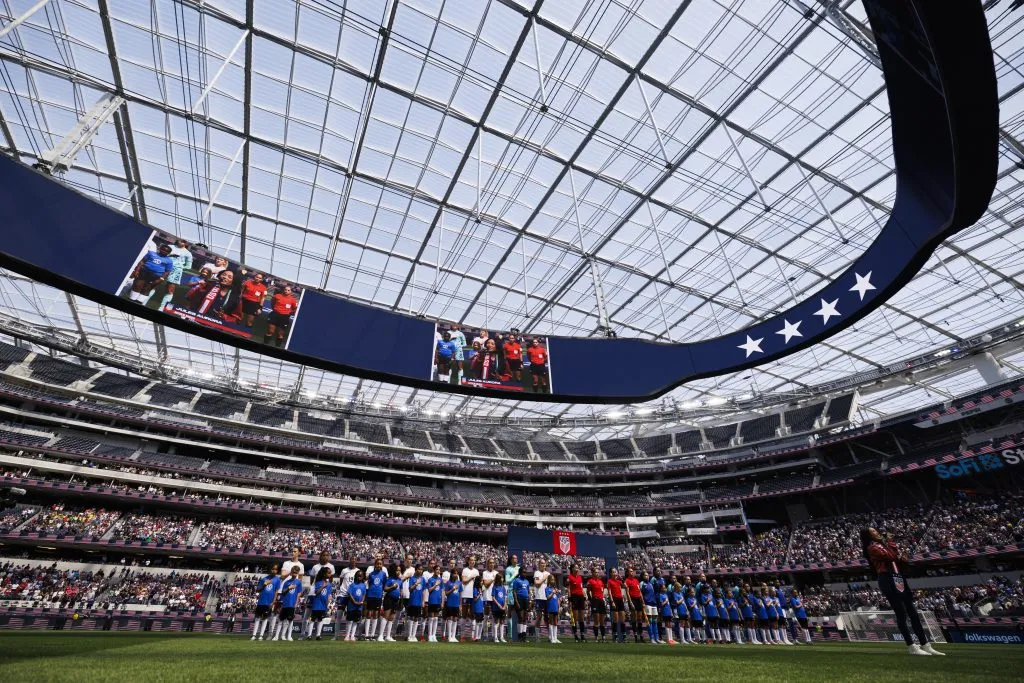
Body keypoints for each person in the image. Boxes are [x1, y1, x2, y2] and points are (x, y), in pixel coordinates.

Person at [860, 527, 944, 656]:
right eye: (874, 532)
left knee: (913, 613)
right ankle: (911, 646)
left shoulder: (882, 545)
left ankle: (925, 644)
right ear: (869, 536)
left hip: (897, 577)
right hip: (887, 579)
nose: (878, 532)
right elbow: (891, 557)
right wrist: (891, 542)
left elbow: (895, 559)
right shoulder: (872, 548)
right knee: (901, 614)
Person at [300, 552, 334, 640]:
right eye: (324, 555)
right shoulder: (315, 567)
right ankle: (303, 634)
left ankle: (316, 634)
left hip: (322, 595)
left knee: (319, 617)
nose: (326, 556)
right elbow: (312, 582)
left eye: (327, 555)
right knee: (307, 615)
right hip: (313, 593)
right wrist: (314, 590)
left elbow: (330, 580)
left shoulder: (331, 567)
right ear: (320, 556)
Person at [156, 238, 193, 309]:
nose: (182, 241)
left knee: (170, 290)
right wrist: (171, 255)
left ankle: (161, 308)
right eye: (181, 239)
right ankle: (143, 301)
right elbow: (160, 255)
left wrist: (178, 267)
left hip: (175, 271)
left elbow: (188, 267)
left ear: (187, 243)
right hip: (163, 267)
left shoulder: (188, 253)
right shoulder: (170, 247)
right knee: (154, 283)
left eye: (185, 241)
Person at [251, 564, 280, 641]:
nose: (274, 570)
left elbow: (276, 592)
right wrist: (264, 584)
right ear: (270, 569)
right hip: (261, 602)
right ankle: (254, 635)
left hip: (269, 603)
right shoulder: (263, 579)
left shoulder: (277, 580)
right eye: (273, 569)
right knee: (257, 618)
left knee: (265, 619)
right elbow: (258, 590)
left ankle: (261, 635)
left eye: (276, 569)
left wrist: (273, 602)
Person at [332, 557, 359, 641]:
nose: (353, 561)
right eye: (352, 559)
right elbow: (341, 582)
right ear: (350, 561)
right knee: (339, 616)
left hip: (352, 596)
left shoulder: (358, 571)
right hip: (343, 595)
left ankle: (349, 636)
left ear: (356, 561)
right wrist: (342, 590)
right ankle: (336, 636)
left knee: (350, 617)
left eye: (355, 560)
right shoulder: (344, 570)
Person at [274, 564, 303, 641]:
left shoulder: (298, 582)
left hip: (292, 604)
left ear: (297, 573)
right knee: (281, 620)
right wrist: (288, 588)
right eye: (293, 572)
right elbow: (283, 592)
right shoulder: (286, 582)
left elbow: (299, 593)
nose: (294, 574)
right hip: (285, 603)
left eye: (296, 573)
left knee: (290, 621)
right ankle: (276, 636)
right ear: (291, 572)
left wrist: (296, 602)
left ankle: (288, 636)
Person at [306, 567, 333, 640]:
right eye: (329, 573)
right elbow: (316, 592)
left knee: (320, 619)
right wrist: (323, 587)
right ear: (324, 574)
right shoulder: (318, 583)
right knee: (312, 619)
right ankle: (309, 635)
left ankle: (318, 635)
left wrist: (328, 603)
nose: (330, 574)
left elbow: (328, 595)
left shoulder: (330, 584)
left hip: (323, 605)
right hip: (317, 604)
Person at [365, 556, 387, 640]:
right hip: (370, 596)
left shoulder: (384, 574)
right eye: (377, 564)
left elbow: (384, 585)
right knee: (368, 614)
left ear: (382, 565)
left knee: (375, 614)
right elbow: (370, 584)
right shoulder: (371, 574)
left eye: (380, 564)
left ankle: (372, 635)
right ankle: (367, 635)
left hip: (378, 596)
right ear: (374, 565)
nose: (378, 565)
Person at [379, 565, 401, 642]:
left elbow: (400, 590)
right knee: (386, 616)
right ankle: (380, 635)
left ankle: (388, 636)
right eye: (397, 570)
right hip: (389, 599)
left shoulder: (399, 580)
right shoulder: (390, 579)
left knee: (391, 618)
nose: (398, 572)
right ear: (393, 571)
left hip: (396, 600)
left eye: (399, 570)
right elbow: (385, 588)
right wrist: (392, 587)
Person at [460, 555, 479, 641]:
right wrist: (471, 578)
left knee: (473, 615)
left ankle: (472, 636)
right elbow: (463, 581)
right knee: (464, 615)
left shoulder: (477, 571)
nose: (472, 562)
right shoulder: (465, 570)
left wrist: (478, 593)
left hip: (473, 595)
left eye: (474, 560)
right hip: (466, 594)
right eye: (471, 560)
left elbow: (478, 584)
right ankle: (462, 636)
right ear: (468, 561)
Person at [565, 564, 586, 642]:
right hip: (574, 597)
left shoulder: (580, 577)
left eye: (578, 567)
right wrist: (570, 598)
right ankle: (576, 636)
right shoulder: (569, 577)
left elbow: (581, 587)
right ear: (572, 569)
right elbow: (568, 588)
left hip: (581, 597)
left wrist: (584, 596)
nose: (577, 569)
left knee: (582, 618)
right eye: (575, 568)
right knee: (575, 618)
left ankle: (582, 635)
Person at [586, 566, 607, 643]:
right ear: (592, 573)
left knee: (602, 621)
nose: (597, 573)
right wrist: (591, 600)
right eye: (595, 572)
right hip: (595, 601)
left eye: (598, 572)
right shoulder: (590, 581)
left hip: (601, 601)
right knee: (596, 621)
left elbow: (602, 591)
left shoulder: (601, 582)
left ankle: (603, 637)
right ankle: (596, 637)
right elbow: (588, 592)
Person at [344, 570, 366, 641]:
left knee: (355, 621)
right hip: (352, 606)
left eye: (361, 576)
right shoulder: (352, 585)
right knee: (350, 621)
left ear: (363, 577)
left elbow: (363, 594)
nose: (359, 577)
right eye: (358, 576)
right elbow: (350, 594)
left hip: (359, 607)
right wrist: (354, 601)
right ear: (355, 576)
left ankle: (352, 636)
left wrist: (362, 601)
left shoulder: (363, 585)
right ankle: (347, 636)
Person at [532, 559, 551, 642]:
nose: (543, 565)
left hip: (547, 597)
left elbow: (551, 585)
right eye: (541, 563)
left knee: (548, 618)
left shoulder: (548, 573)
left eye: (544, 563)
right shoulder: (537, 573)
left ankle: (551, 637)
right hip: (539, 597)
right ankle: (537, 637)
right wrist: (544, 578)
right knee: (539, 617)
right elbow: (537, 584)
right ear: (538, 564)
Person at [405, 565, 425, 642]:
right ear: (416, 570)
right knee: (411, 617)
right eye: (419, 569)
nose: (420, 571)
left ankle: (414, 636)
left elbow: (423, 591)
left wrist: (423, 601)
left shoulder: (422, 579)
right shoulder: (412, 578)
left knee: (416, 618)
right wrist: (416, 584)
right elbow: (410, 589)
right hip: (412, 601)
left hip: (419, 602)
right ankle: (409, 636)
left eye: (421, 569)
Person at [624, 567, 644, 643]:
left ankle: (641, 636)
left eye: (632, 571)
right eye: (630, 571)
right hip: (632, 599)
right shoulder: (627, 581)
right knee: (634, 618)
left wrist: (642, 601)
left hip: (638, 599)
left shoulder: (636, 580)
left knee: (640, 618)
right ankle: (636, 636)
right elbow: (627, 593)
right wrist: (630, 602)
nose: (632, 572)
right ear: (628, 573)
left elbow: (639, 591)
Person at [511, 569, 532, 643]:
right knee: (520, 618)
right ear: (520, 573)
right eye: (523, 572)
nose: (525, 573)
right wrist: (516, 601)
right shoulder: (516, 581)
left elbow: (529, 591)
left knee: (525, 618)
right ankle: (519, 636)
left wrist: (529, 601)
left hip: (526, 600)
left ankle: (524, 636)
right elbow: (514, 591)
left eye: (525, 572)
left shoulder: (527, 581)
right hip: (519, 599)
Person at [640, 570, 660, 644]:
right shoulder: (642, 583)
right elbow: (640, 593)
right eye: (645, 575)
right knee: (650, 621)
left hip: (654, 604)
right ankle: (651, 638)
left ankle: (656, 638)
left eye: (648, 575)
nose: (647, 576)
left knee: (655, 621)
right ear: (642, 576)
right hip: (647, 603)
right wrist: (643, 602)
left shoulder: (651, 584)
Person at [607, 567, 626, 643]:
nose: (615, 573)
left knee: (623, 619)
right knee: (615, 620)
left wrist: (621, 579)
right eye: (614, 572)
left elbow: (625, 586)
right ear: (611, 573)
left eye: (616, 572)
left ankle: (624, 637)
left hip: (620, 600)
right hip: (614, 600)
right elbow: (609, 592)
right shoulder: (609, 581)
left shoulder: (619, 581)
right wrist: (612, 602)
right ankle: (615, 637)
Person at [426, 563, 444, 643]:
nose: (438, 571)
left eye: (439, 570)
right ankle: (429, 635)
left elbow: (443, 591)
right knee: (431, 618)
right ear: (434, 570)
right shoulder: (430, 579)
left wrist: (442, 602)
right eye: (437, 569)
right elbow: (429, 590)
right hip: (432, 601)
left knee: (436, 618)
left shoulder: (441, 580)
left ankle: (434, 635)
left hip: (438, 601)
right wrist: (435, 585)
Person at [481, 558, 498, 641]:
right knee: (486, 617)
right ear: (487, 564)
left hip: (495, 597)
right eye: (490, 563)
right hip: (487, 597)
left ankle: (494, 636)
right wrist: (493, 579)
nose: (492, 564)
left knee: (494, 617)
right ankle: (485, 635)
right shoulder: (485, 573)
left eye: (493, 563)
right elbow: (486, 585)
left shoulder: (496, 573)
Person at [504, 554, 520, 641]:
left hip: (519, 591)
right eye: (514, 558)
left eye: (516, 558)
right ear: (511, 560)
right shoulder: (508, 569)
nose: (516, 559)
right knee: (510, 613)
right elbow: (507, 581)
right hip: (511, 591)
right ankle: (510, 635)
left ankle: (519, 635)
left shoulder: (519, 568)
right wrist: (514, 575)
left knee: (519, 612)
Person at [443, 570, 462, 643]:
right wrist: (453, 589)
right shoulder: (448, 583)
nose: (456, 575)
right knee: (450, 618)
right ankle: (449, 636)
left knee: (455, 619)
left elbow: (460, 594)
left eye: (457, 573)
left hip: (456, 604)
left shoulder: (459, 583)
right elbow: (446, 593)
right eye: (454, 573)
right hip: (450, 603)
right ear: (451, 574)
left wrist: (460, 605)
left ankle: (453, 636)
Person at [491, 574, 508, 643]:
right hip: (496, 607)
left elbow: (505, 597)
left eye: (503, 578)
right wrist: (498, 605)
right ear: (498, 579)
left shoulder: (503, 587)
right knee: (496, 622)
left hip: (503, 608)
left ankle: (501, 637)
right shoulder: (494, 587)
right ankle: (495, 637)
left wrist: (504, 605)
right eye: (501, 578)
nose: (502, 579)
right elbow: (493, 597)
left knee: (502, 622)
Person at [544, 575, 561, 644]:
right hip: (550, 607)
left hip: (555, 607)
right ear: (549, 581)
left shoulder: (556, 589)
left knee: (556, 622)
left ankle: (555, 638)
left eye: (554, 580)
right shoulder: (547, 589)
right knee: (551, 622)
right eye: (552, 580)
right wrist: (553, 592)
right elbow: (548, 597)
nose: (553, 581)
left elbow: (558, 599)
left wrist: (559, 607)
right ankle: (552, 638)